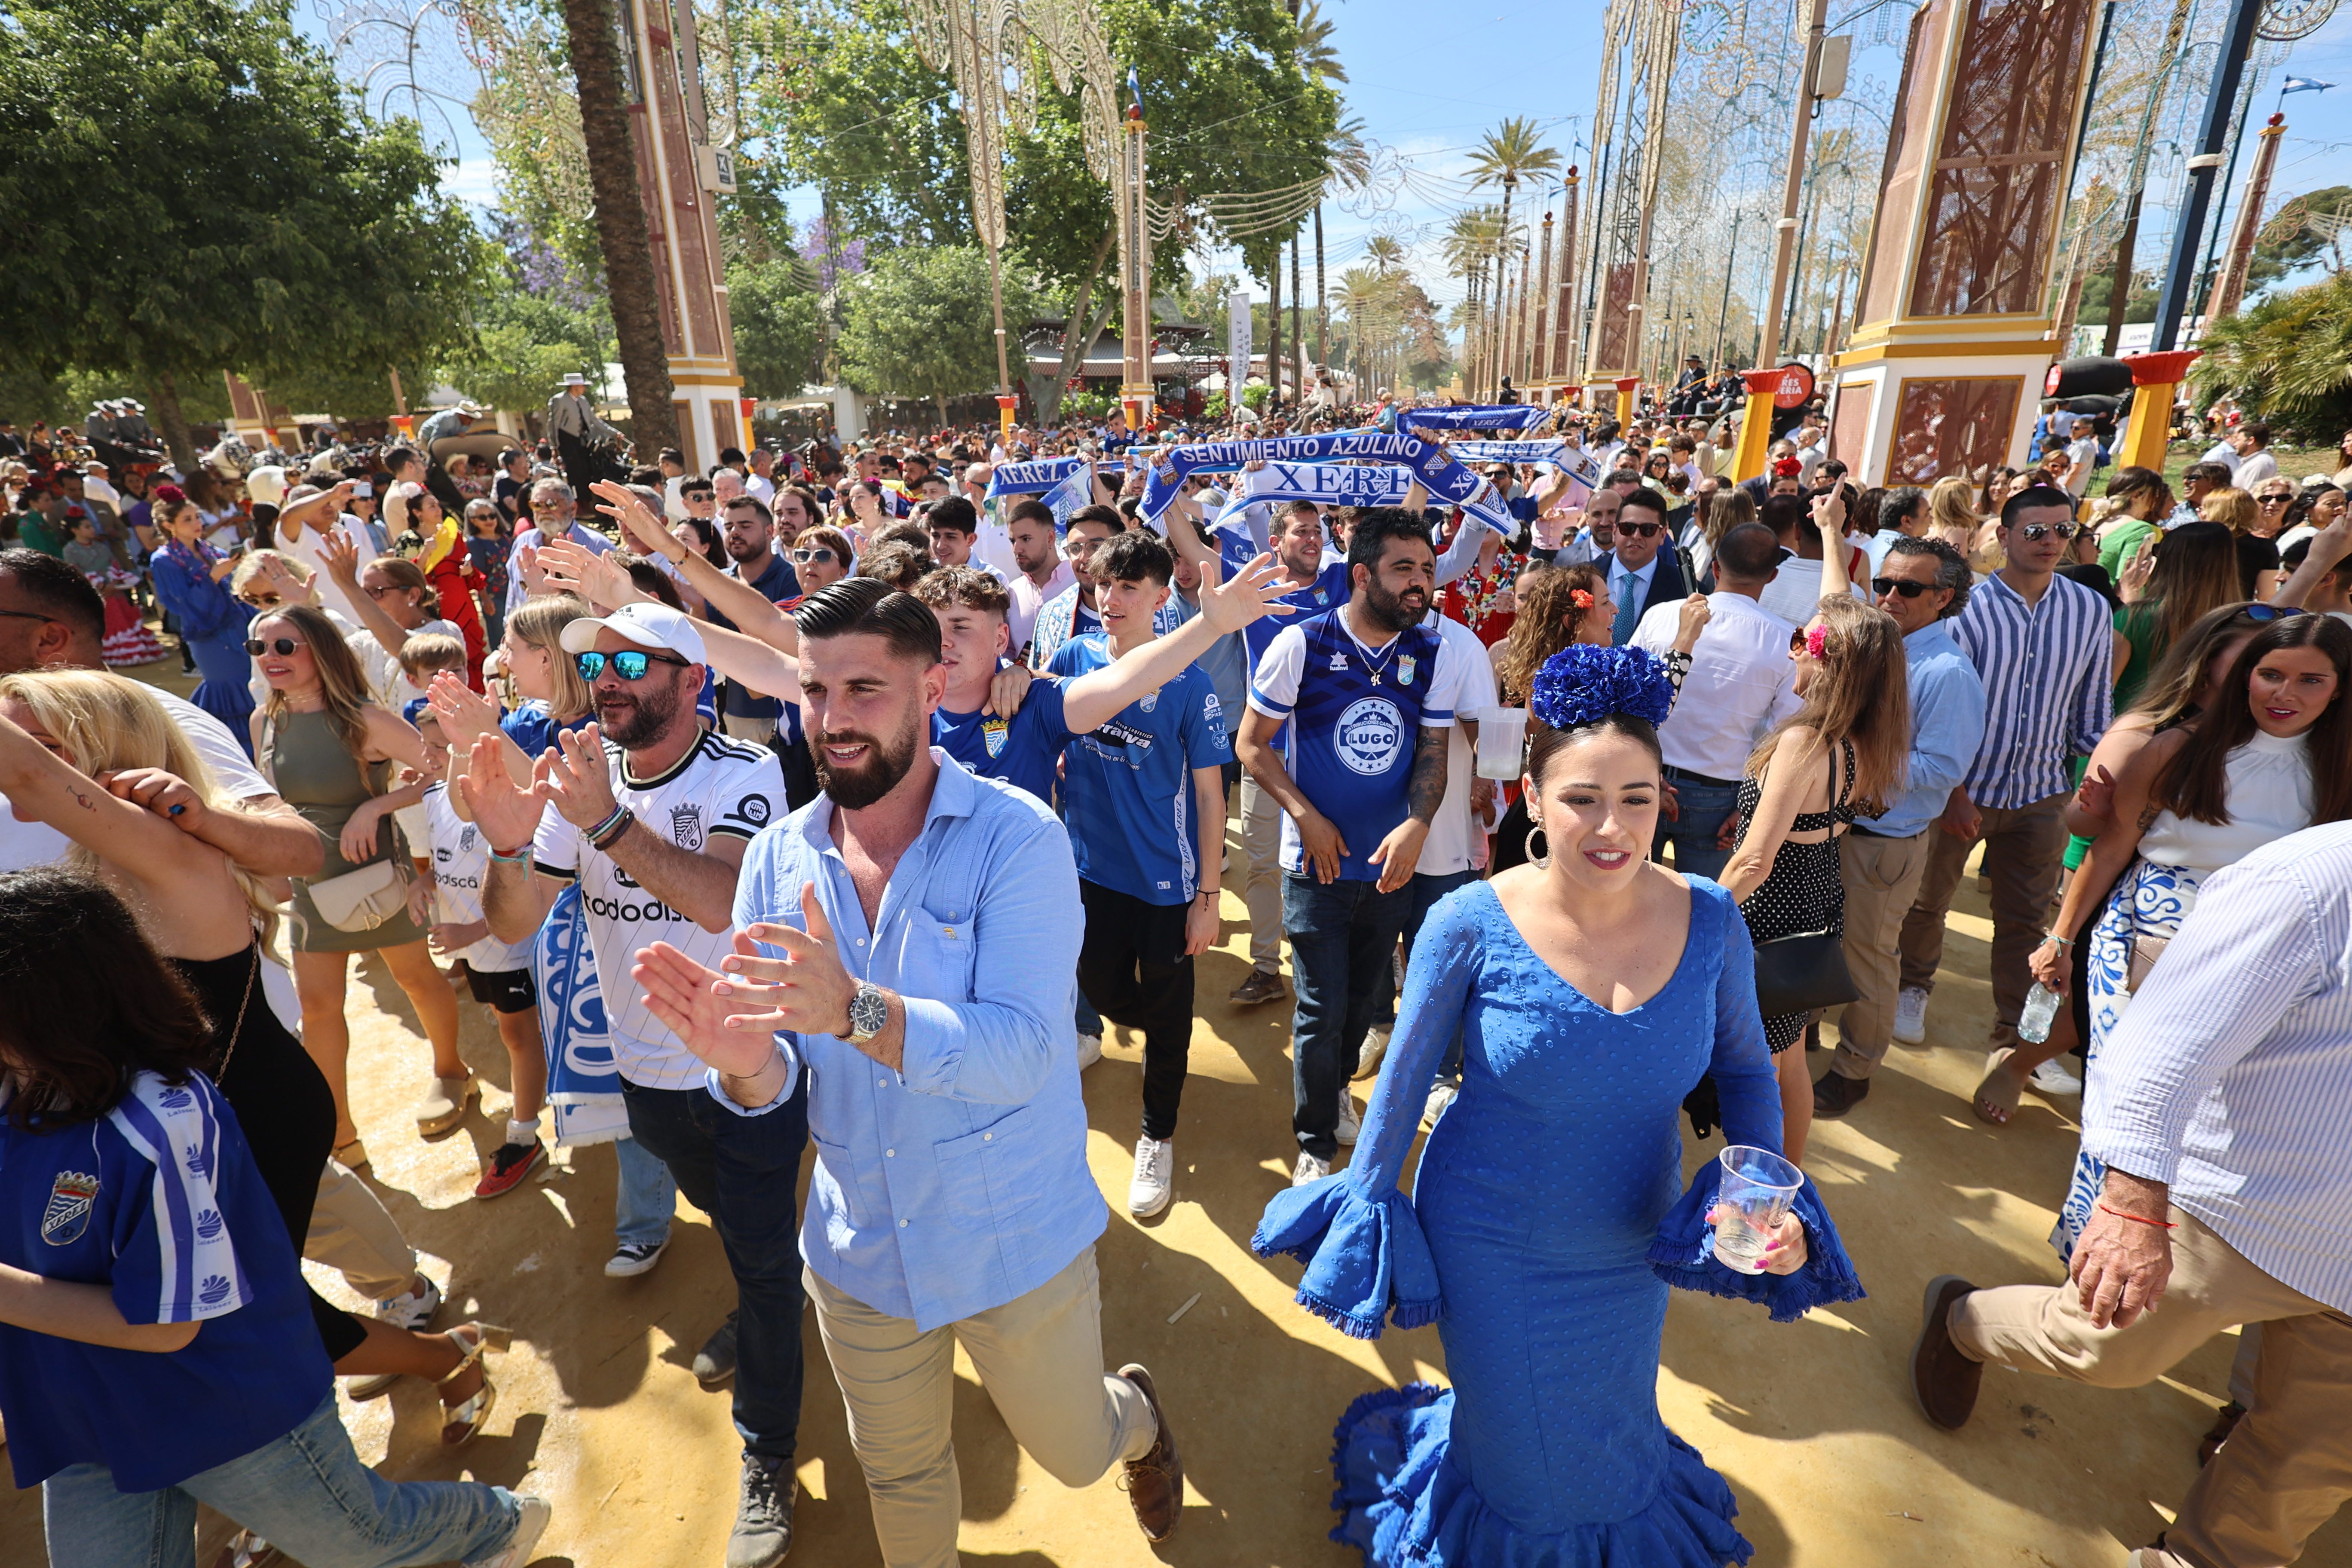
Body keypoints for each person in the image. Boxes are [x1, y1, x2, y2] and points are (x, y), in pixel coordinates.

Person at [1250, 643, 1862, 1568]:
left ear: (1669, 802)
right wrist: (1370, 1197)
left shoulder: (1711, 918)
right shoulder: (1468, 921)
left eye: (1637, 799)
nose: (1610, 827)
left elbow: (1746, 1070)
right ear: (1533, 800)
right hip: (1491, 1240)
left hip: (1634, 1240)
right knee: (1524, 1469)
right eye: (1581, 798)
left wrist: (1762, 1190)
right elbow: (1401, 1087)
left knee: (1611, 1415)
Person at [628, 577, 1188, 1563]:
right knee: (900, 1476)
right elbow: (780, 1083)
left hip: (1012, 1244)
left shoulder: (1018, 839)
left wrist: (857, 1011)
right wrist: (748, 1067)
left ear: (933, 688)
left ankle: (1133, 1418)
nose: (829, 721)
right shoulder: (771, 861)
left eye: (863, 691)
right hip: (860, 1258)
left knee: (1071, 1452)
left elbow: (1023, 1051)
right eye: (812, 691)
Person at [0, 674, 513, 1443]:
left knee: (241, 1318)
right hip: (195, 1125)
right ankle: (422, 1365)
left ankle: (430, 1365)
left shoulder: (161, 848)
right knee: (245, 1310)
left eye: (40, 747)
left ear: (100, 755)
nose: (16, 771)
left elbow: (34, 778)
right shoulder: (98, 857)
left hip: (248, 1112)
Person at [0, 868, 551, 1568]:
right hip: (86, 1412)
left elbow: (169, 1325)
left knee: (361, 1540)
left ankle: (494, 1524)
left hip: (223, 1404)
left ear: (46, 1013)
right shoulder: (22, 1084)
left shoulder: (158, 1118)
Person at [1910, 817, 2352, 1568]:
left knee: (2311, 1459)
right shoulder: (2314, 881)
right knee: (2096, 1348)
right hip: (2242, 1213)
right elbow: (2159, 1039)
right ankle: (1962, 1319)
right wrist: (2129, 1204)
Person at [468, 600, 804, 1568]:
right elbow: (521, 915)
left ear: (694, 682)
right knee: (743, 1223)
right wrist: (501, 840)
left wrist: (604, 822)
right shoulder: (586, 780)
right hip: (641, 1073)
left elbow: (727, 898)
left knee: (766, 1259)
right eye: (597, 661)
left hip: (742, 1069)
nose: (605, 676)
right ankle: (769, 1271)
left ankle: (769, 1452)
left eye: (632, 661)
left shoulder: (748, 773)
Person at [2033, 612, 2349, 1254]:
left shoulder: (2340, 774)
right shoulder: (2177, 748)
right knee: (2128, 1101)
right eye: (2270, 674)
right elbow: (2112, 846)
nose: (2284, 694)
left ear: (2341, 688)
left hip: (2265, 964)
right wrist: (2062, 939)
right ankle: (2087, 1249)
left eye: (2310, 680)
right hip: (2145, 943)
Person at [1237, 508, 1467, 1184]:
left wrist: (1418, 825)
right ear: (1362, 574)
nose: (1420, 584)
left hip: (1390, 868)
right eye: (1404, 570)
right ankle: (1313, 1141)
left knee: (1366, 1002)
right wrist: (1305, 816)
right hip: (1315, 867)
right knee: (1320, 1005)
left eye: (1427, 570)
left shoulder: (1434, 653)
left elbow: (1432, 751)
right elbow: (1251, 745)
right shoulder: (1301, 646)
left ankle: (1336, 1085)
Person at [1048, 532, 1234, 1216]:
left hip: (1167, 882)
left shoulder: (1190, 682)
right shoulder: (1073, 656)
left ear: (1163, 599)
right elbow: (1042, 719)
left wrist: (1208, 897)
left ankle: (1158, 1132)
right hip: (1089, 871)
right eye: (1104, 585)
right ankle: (1151, 1034)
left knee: (1166, 1009)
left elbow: (1212, 797)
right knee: (1100, 989)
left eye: (1129, 588)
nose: (1111, 599)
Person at [250, 603, 471, 1165]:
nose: (269, 658)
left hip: (372, 871)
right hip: (307, 880)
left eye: (284, 645)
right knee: (318, 1005)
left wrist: (377, 805)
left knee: (416, 978)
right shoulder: (263, 721)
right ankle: (340, 1131)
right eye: (259, 647)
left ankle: (452, 1071)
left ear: (319, 648)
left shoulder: (363, 719)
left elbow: (447, 767)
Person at [1893, 485, 2110, 1057]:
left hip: (2043, 793)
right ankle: (1912, 987)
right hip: (1963, 791)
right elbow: (1938, 713)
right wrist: (1956, 791)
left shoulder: (2089, 610)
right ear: (2005, 536)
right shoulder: (1969, 609)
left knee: (2027, 921)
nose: (2051, 542)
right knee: (1926, 901)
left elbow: (2093, 708)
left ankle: (2015, 1040)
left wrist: (2090, 786)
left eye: (2063, 531)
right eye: (2037, 531)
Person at [1719, 585, 1911, 1161]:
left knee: (1765, 1068)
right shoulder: (1856, 742)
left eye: (1802, 639)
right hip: (1813, 904)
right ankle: (1788, 1173)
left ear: (1830, 659)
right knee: (1791, 1054)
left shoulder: (1805, 742)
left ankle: (1765, 1186)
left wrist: (1699, 907)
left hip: (1770, 916)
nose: (1791, 650)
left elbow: (1755, 858)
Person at [1815, 538, 1986, 1118]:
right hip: (1835, 826)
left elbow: (1944, 767)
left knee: (1867, 958)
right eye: (1884, 584)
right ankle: (1810, 1031)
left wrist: (1851, 760)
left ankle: (1855, 1068)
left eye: (1907, 588)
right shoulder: (1879, 648)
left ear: (1943, 598)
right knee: (1821, 939)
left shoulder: (1948, 672)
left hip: (1883, 840)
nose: (1889, 596)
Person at [1633, 521, 1803, 879]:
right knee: (1702, 908)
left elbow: (1628, 697)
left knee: (1627, 891)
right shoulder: (1786, 639)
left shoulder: (1662, 614)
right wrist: (1751, 805)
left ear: (1715, 567)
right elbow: (1784, 735)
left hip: (1645, 776)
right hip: (1717, 793)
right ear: (1772, 577)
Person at [147, 491, 255, 742]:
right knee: (227, 688)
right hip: (207, 634)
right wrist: (214, 578)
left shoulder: (209, 549)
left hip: (238, 624)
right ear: (168, 525)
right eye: (187, 519)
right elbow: (180, 604)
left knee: (252, 683)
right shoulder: (164, 560)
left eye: (197, 517)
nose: (197, 523)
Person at [2111, 523, 2241, 710]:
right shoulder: (2239, 621)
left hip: (2131, 726)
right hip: (2200, 729)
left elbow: (2101, 689)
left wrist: (2130, 597)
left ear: (2167, 563)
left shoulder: (2134, 618)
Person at [1592, 486, 1691, 644]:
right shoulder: (1583, 577)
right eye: (1628, 528)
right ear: (1615, 531)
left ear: (1663, 535)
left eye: (1648, 530)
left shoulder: (1685, 591)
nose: (1636, 536)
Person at [547, 371, 623, 499]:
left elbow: (594, 420)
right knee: (575, 471)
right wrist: (554, 446)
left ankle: (588, 499)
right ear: (575, 386)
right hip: (567, 440)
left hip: (583, 439)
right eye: (582, 386)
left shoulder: (583, 401)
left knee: (587, 469)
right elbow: (553, 424)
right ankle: (579, 500)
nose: (584, 388)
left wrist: (614, 433)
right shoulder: (559, 400)